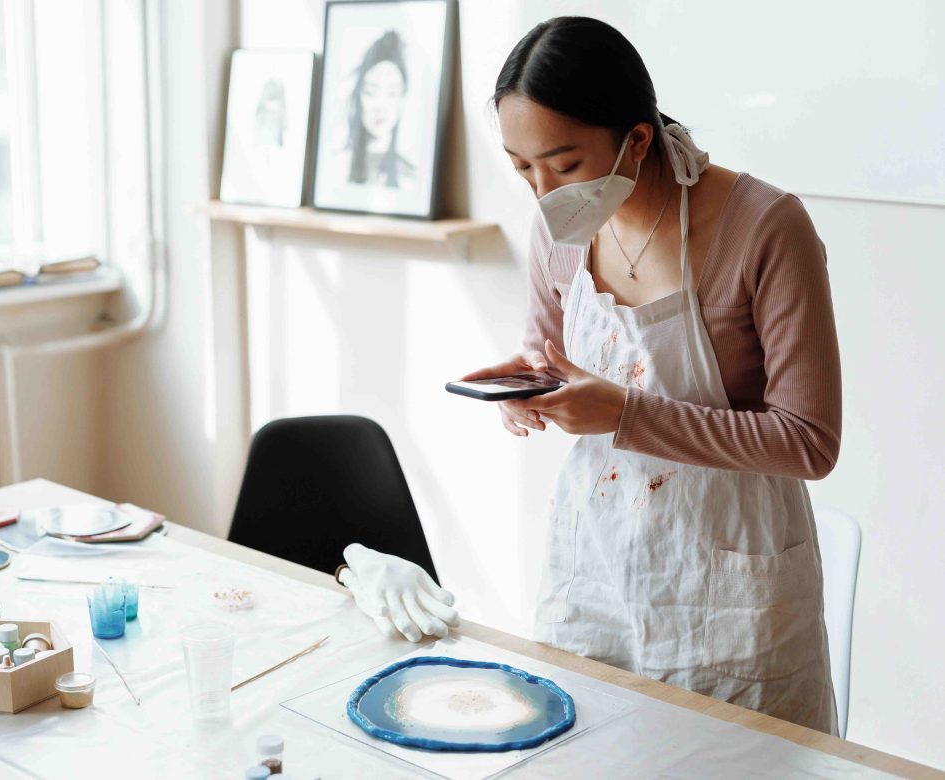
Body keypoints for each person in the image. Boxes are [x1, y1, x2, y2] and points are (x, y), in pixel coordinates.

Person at [339, 16, 842, 736]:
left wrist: (624, 414)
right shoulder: (558, 229)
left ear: (636, 139)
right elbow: (550, 353)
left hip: (733, 584)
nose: (542, 191)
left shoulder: (765, 227)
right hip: (596, 566)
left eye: (565, 165)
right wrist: (528, 392)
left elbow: (809, 442)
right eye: (521, 167)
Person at [344, 30, 415, 188]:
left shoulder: (408, 176)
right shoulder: (336, 167)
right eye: (370, 92)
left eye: (392, 93)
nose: (380, 106)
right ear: (359, 94)